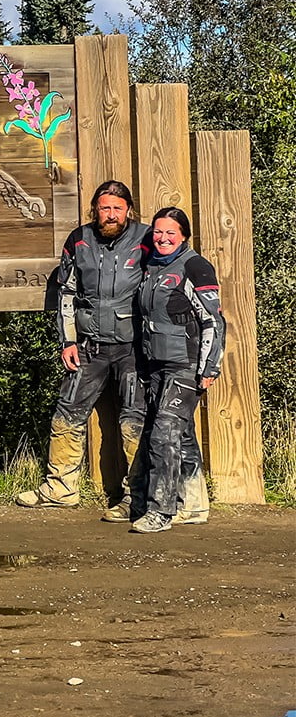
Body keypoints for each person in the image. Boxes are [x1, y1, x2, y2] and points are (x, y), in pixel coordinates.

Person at [15, 180, 149, 519]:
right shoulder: (79, 240)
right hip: (88, 346)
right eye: (105, 208)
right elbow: (66, 294)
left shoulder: (147, 240)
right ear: (95, 210)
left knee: (135, 421)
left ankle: (139, 497)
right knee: (67, 413)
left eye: (118, 208)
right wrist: (68, 340)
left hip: (134, 348)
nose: (111, 214)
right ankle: (60, 489)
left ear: (128, 211)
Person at [129, 207, 225, 533]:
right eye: (158, 232)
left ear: (183, 234)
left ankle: (161, 512)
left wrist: (210, 367)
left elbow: (213, 320)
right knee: (180, 436)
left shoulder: (195, 266)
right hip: (155, 364)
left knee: (163, 434)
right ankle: (194, 504)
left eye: (171, 232)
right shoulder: (151, 267)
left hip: (185, 364)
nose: (163, 238)